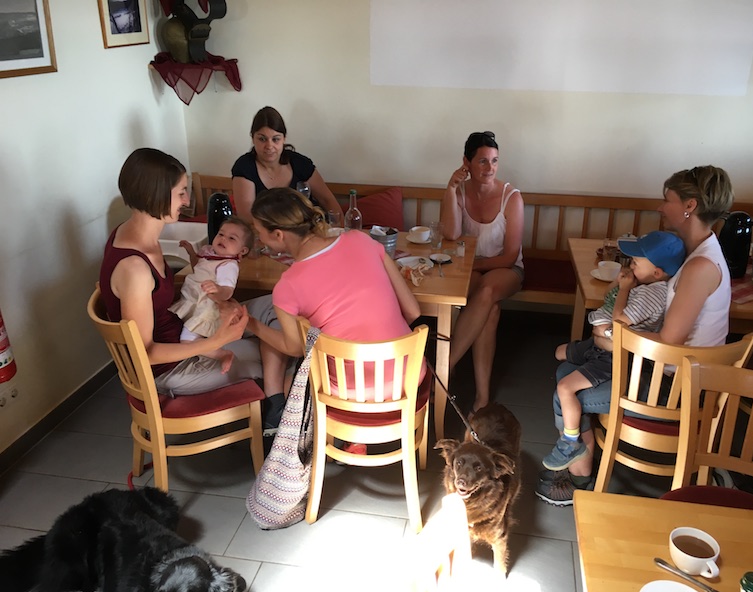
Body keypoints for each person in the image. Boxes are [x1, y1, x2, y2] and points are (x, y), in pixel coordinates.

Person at [536, 165, 734, 506]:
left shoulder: (700, 267)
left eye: (667, 200)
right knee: (567, 371)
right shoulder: (697, 253)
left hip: (674, 388)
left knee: (564, 392)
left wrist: (609, 338)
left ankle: (580, 483)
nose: (660, 207)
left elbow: (669, 342)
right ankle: (580, 464)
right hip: (663, 371)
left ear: (689, 206)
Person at [99, 148, 287, 402]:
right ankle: (277, 410)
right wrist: (217, 342)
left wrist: (214, 304)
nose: (187, 201)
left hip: (185, 329)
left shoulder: (131, 234)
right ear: (155, 196)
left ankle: (277, 401)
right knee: (276, 354)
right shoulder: (135, 269)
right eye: (181, 193)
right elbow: (145, 353)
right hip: (172, 367)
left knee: (276, 308)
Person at [244, 187, 423, 444]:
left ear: (279, 235)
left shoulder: (287, 286)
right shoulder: (361, 240)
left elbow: (293, 348)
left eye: (259, 232)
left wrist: (251, 323)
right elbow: (413, 311)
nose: (259, 239)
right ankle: (355, 441)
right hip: (405, 378)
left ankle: (329, 435)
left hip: (349, 391)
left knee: (302, 369)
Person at [541, 231, 685, 471]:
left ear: (657, 273)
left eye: (636, 261)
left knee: (565, 388)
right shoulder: (643, 285)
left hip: (613, 356)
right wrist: (619, 283)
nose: (631, 264)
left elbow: (619, 321)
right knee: (560, 353)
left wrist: (626, 289)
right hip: (601, 345)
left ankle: (570, 442)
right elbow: (609, 298)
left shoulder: (653, 294)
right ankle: (576, 459)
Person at [440, 131, 524, 415]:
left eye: (494, 161)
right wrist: (450, 189)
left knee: (487, 291)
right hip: (473, 268)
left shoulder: (512, 197)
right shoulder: (460, 192)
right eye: (483, 161)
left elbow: (510, 256)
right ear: (466, 163)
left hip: (506, 269)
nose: (490, 168)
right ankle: (482, 399)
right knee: (491, 311)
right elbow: (451, 234)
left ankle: (445, 366)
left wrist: (473, 266)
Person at [169, 217, 254, 374]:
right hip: (193, 300)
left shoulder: (228, 265)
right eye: (221, 234)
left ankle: (221, 354)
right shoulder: (210, 253)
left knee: (186, 341)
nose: (223, 239)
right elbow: (198, 267)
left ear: (242, 250)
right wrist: (191, 253)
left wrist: (217, 289)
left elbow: (227, 292)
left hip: (205, 307)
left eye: (231, 238)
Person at [231, 106, 343, 223]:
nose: (269, 146)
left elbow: (327, 201)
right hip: (264, 232)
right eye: (262, 139)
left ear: (284, 139)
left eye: (275, 139)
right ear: (253, 138)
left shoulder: (300, 163)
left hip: (309, 229)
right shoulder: (244, 167)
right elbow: (247, 217)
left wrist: (340, 230)